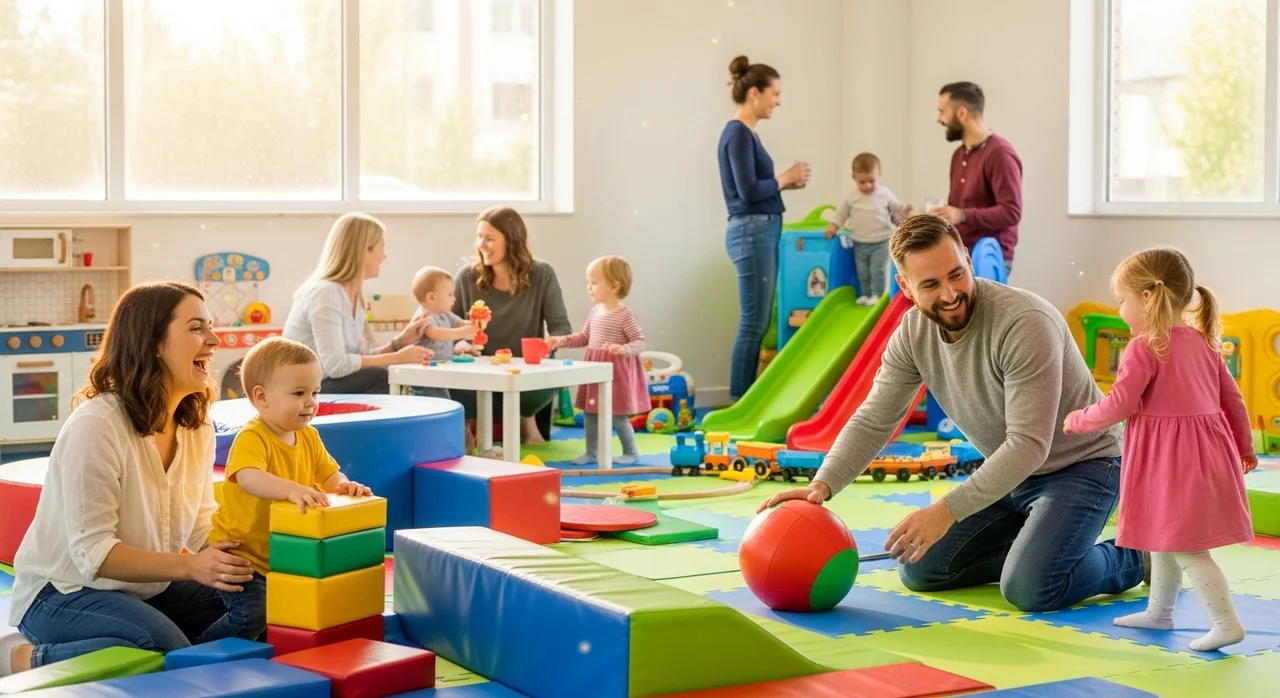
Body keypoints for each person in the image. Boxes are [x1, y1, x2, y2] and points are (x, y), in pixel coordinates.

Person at [759, 215, 1146, 613]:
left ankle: (1131, 556)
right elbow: (874, 418)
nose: (949, 294)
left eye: (956, 275)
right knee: (921, 568)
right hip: (1011, 475)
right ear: (906, 287)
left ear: (968, 261)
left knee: (1031, 589)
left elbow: (1029, 444)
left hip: (1084, 466)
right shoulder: (912, 335)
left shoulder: (1025, 323)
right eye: (930, 284)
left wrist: (945, 512)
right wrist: (822, 486)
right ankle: (1037, 549)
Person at [1, 282, 255, 677]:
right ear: (153, 343)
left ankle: (173, 655)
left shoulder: (196, 424)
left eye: (210, 326)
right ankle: (20, 657)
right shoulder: (97, 425)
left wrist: (249, 557)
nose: (214, 339)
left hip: (145, 589)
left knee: (258, 601)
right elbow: (95, 553)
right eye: (196, 328)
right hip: (60, 594)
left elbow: (203, 524)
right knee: (158, 646)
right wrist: (192, 568)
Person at [1064, 248, 1254, 652]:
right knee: (1162, 536)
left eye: (1122, 300)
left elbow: (1120, 404)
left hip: (1172, 460)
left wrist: (1079, 420)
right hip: (1204, 452)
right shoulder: (1203, 342)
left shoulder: (1145, 347)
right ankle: (1160, 611)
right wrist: (1245, 446)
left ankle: (1226, 622)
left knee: (1186, 546)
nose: (1120, 309)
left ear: (1147, 297)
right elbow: (1233, 400)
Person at [203, 337, 375, 642]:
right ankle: (198, 651)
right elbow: (248, 477)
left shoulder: (309, 436)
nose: (310, 402)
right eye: (298, 393)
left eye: (315, 392)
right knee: (253, 614)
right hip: (241, 557)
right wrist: (291, 490)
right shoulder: (253, 436)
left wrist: (345, 486)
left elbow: (329, 475)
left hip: (284, 556)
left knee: (292, 616)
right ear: (261, 397)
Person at [717, 55, 810, 400]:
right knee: (753, 322)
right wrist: (786, 177)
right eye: (775, 93)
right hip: (752, 231)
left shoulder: (745, 134)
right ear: (754, 93)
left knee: (755, 321)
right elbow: (749, 191)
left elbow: (756, 188)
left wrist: (783, 183)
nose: (779, 101)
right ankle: (739, 401)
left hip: (758, 229)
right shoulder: (738, 133)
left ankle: (742, 400)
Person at [452, 206, 572, 446]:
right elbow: (450, 328)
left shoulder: (541, 274)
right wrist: (461, 343)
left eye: (490, 239)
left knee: (539, 383)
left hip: (525, 372)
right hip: (477, 371)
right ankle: (465, 429)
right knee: (451, 381)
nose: (481, 245)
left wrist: (546, 347)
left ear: (513, 241)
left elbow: (561, 329)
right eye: (480, 237)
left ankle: (526, 421)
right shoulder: (466, 277)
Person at [284, 212, 431, 395]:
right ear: (364, 251)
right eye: (381, 248)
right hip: (303, 391)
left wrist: (398, 343)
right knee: (381, 377)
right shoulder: (326, 294)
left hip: (323, 384)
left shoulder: (352, 295)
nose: (384, 256)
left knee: (383, 375)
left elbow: (360, 356)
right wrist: (395, 357)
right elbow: (335, 365)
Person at [547, 256, 649, 465]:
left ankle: (631, 451)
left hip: (615, 374)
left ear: (613, 286)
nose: (589, 287)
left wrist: (624, 349)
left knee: (618, 416)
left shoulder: (625, 316)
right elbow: (584, 338)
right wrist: (561, 340)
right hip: (594, 371)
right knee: (590, 413)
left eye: (594, 282)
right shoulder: (595, 312)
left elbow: (640, 341)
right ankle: (592, 452)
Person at [930, 82, 1023, 276]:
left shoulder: (1000, 154)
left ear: (962, 113)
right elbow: (958, 209)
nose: (939, 119)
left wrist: (962, 215)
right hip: (960, 254)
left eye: (942, 111)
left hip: (989, 259)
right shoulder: (958, 155)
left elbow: (1011, 212)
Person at [824, 153, 913, 305]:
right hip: (859, 242)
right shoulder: (852, 198)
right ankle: (865, 294)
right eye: (862, 182)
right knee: (862, 272)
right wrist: (833, 226)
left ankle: (877, 295)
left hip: (881, 241)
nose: (867, 186)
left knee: (877, 270)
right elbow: (841, 213)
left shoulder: (884, 194)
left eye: (872, 181)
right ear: (854, 178)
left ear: (879, 176)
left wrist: (905, 209)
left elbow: (895, 206)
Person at [407, 266, 480, 402]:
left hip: (439, 374)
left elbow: (461, 324)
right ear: (432, 297)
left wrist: (476, 322)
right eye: (450, 294)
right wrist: (461, 333)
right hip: (424, 377)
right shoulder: (423, 316)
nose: (454, 299)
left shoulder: (445, 315)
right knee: (431, 407)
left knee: (446, 403)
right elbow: (435, 334)